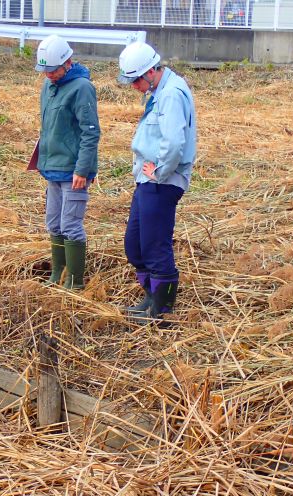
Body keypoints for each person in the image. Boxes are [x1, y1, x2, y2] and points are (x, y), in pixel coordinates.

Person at [116, 41, 197, 323]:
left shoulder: (171, 94)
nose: (134, 87)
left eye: (136, 80)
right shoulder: (159, 91)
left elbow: (174, 142)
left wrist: (159, 171)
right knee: (135, 244)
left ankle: (161, 309)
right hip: (148, 180)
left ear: (151, 71)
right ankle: (150, 298)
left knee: (154, 244)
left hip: (163, 182)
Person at [34, 34, 100, 290]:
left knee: (70, 224)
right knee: (54, 223)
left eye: (53, 70)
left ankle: (75, 281)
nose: (48, 74)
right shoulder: (48, 86)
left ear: (67, 63)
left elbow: (90, 132)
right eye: (45, 70)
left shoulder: (82, 88)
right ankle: (58, 273)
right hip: (52, 168)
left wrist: (82, 169)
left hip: (73, 170)